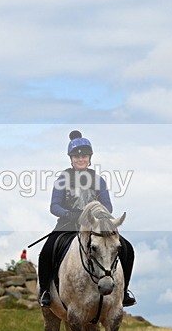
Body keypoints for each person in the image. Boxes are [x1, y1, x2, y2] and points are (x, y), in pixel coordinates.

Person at [37, 131, 136, 308]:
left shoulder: (99, 180)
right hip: (68, 224)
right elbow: (54, 206)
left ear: (90, 158)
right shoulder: (62, 179)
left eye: (84, 156)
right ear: (71, 159)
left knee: (127, 248)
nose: (80, 159)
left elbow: (108, 206)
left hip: (95, 226)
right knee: (48, 249)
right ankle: (45, 290)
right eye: (76, 156)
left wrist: (96, 216)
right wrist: (70, 214)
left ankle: (124, 291)